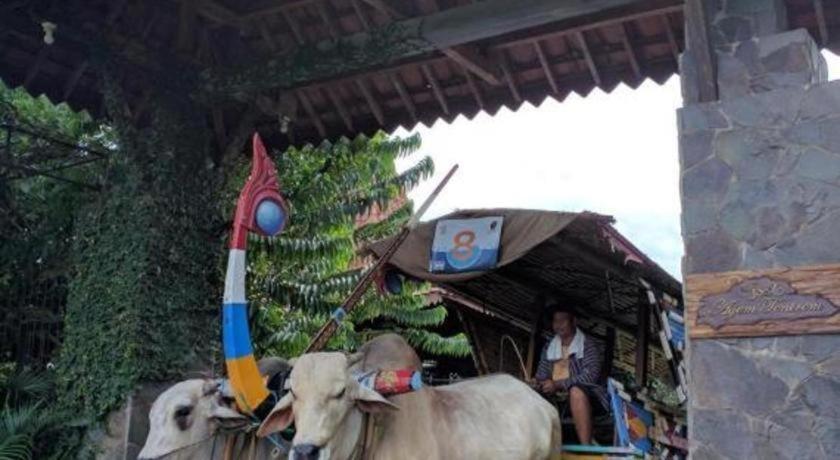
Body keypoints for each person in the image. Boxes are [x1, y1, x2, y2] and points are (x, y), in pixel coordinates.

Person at [535, 303, 609, 445]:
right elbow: (542, 374)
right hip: (557, 399)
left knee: (576, 392)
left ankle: (585, 447)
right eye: (556, 321)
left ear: (574, 321)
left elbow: (591, 375)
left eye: (563, 320)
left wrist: (559, 384)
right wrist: (538, 382)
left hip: (591, 398)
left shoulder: (587, 344)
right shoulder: (549, 346)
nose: (558, 325)